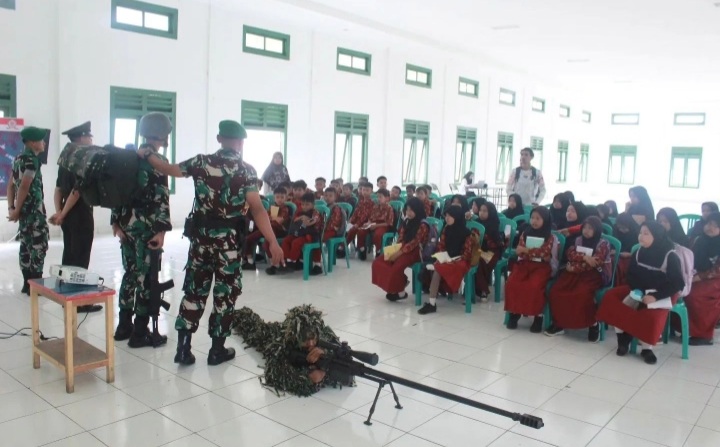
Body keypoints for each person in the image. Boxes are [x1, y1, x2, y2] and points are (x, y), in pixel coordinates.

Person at [143, 120, 284, 364]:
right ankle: (217, 350)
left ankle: (183, 349)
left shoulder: (201, 162)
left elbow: (168, 168)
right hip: (228, 244)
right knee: (225, 293)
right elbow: (259, 209)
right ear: (240, 143)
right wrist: (273, 242)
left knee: (194, 290)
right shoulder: (246, 170)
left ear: (219, 139)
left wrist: (147, 153)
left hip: (201, 240)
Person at [112, 113, 173, 346]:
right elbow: (161, 199)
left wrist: (116, 222)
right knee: (147, 278)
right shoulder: (157, 160)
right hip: (147, 229)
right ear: (161, 134)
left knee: (129, 274)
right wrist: (162, 231)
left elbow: (116, 193)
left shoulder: (128, 157)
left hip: (126, 226)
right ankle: (139, 333)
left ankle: (123, 326)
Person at [597, 221, 685, 364]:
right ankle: (623, 340)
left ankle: (646, 348)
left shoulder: (670, 255)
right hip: (639, 289)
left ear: (656, 236)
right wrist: (637, 291)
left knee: (649, 315)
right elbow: (631, 275)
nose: (641, 237)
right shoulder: (639, 251)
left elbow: (677, 283)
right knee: (612, 298)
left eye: (646, 233)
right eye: (640, 233)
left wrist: (654, 296)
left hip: (662, 293)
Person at [232, 304, 348, 396]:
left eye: (313, 338)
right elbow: (274, 374)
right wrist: (308, 379)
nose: (311, 344)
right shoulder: (283, 342)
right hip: (273, 334)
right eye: (305, 340)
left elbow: (346, 361)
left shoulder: (324, 333)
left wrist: (326, 357)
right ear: (295, 337)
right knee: (253, 327)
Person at [48, 121, 101, 312]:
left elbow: (58, 190)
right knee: (80, 259)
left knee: (69, 256)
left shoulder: (66, 160)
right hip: (80, 216)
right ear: (80, 138)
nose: (91, 139)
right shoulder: (82, 160)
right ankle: (78, 302)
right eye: (88, 136)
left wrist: (60, 212)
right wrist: (62, 212)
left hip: (68, 217)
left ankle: (67, 297)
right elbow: (76, 192)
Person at [545, 217, 611, 342]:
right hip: (575, 271)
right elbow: (570, 253)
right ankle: (559, 324)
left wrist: (576, 265)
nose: (586, 231)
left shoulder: (603, 244)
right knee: (557, 291)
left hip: (595, 274)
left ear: (596, 230)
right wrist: (585, 257)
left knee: (581, 294)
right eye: (585, 228)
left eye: (590, 228)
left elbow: (595, 263)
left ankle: (593, 324)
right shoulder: (578, 240)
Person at [7, 127, 49, 295]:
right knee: (39, 245)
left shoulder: (18, 159)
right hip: (34, 213)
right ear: (32, 143)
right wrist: (16, 209)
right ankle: (35, 286)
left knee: (25, 245)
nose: (44, 143)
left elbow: (10, 186)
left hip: (24, 213)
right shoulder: (32, 160)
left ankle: (27, 283)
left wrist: (12, 208)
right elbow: (25, 185)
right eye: (41, 140)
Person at [505, 207, 557, 332]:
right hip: (525, 264)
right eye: (532, 218)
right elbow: (520, 251)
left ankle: (537, 317)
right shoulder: (525, 232)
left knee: (534, 286)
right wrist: (530, 252)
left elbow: (545, 254)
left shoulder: (550, 236)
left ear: (545, 220)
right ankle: (514, 313)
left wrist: (527, 251)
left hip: (541, 267)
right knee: (512, 283)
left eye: (538, 218)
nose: (534, 221)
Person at [418, 206, 474, 314]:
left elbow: (467, 254)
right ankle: (432, 302)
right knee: (437, 266)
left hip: (461, 261)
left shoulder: (467, 233)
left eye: (450, 216)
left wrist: (453, 259)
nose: (447, 218)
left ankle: (432, 303)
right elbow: (441, 246)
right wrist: (442, 255)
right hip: (447, 258)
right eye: (446, 216)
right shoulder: (446, 229)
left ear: (457, 217)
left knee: (438, 268)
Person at [372, 198, 429, 301]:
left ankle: (400, 293)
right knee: (378, 262)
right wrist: (395, 249)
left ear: (418, 210)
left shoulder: (423, 225)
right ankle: (401, 282)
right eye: (407, 210)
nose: (409, 213)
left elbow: (415, 242)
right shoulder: (407, 221)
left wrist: (399, 253)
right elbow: (401, 237)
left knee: (396, 266)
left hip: (415, 252)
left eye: (411, 210)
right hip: (403, 247)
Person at [681, 212, 720, 345]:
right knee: (681, 290)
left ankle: (704, 335)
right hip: (698, 275)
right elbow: (690, 259)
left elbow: (717, 270)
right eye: (709, 224)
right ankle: (686, 329)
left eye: (716, 226)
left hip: (715, 278)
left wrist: (698, 277)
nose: (711, 228)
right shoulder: (699, 239)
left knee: (695, 295)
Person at [267, 192, 324, 275]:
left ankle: (292, 262)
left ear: (313, 205)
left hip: (310, 236)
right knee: (286, 240)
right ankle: (285, 260)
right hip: (299, 233)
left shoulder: (315, 212)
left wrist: (304, 218)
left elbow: (311, 221)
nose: (304, 206)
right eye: (303, 204)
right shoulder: (298, 212)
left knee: (296, 242)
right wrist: (300, 217)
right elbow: (295, 222)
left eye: (307, 204)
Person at [242, 187, 291, 270]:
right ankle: (250, 262)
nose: (279, 199)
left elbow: (278, 221)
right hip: (269, 229)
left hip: (279, 231)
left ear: (286, 198)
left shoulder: (286, 208)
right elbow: (267, 219)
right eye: (277, 197)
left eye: (282, 197)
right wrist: (272, 218)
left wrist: (272, 218)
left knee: (267, 242)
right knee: (248, 239)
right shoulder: (273, 207)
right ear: (274, 198)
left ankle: (275, 264)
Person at [348, 188, 394, 260]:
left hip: (382, 225)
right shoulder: (375, 207)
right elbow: (371, 218)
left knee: (377, 234)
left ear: (387, 198)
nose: (378, 199)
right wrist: (368, 223)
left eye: (380, 197)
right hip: (372, 224)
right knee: (361, 231)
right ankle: (362, 249)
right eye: (377, 197)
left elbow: (388, 223)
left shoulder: (389, 208)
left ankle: (378, 251)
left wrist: (376, 225)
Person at [475, 202, 505, 301]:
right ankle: (477, 288)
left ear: (490, 212)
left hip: (492, 252)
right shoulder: (476, 222)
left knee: (479, 261)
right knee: (474, 259)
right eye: (480, 210)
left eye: (485, 211)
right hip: (479, 251)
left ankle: (483, 290)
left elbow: (499, 244)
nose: (481, 213)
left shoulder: (493, 224)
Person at [341, 182, 374, 257]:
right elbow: (355, 213)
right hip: (356, 223)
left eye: (367, 190)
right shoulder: (360, 202)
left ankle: (361, 249)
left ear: (371, 191)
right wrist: (351, 221)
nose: (365, 192)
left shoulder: (372, 204)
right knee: (347, 229)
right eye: (363, 190)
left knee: (359, 231)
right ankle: (342, 248)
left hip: (366, 224)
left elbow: (366, 216)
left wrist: (357, 224)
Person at [613, 212, 640, 286]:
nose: (621, 230)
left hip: (630, 257)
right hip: (616, 254)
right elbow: (613, 244)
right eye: (620, 228)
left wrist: (630, 254)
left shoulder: (636, 233)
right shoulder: (616, 228)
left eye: (624, 228)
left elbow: (636, 250)